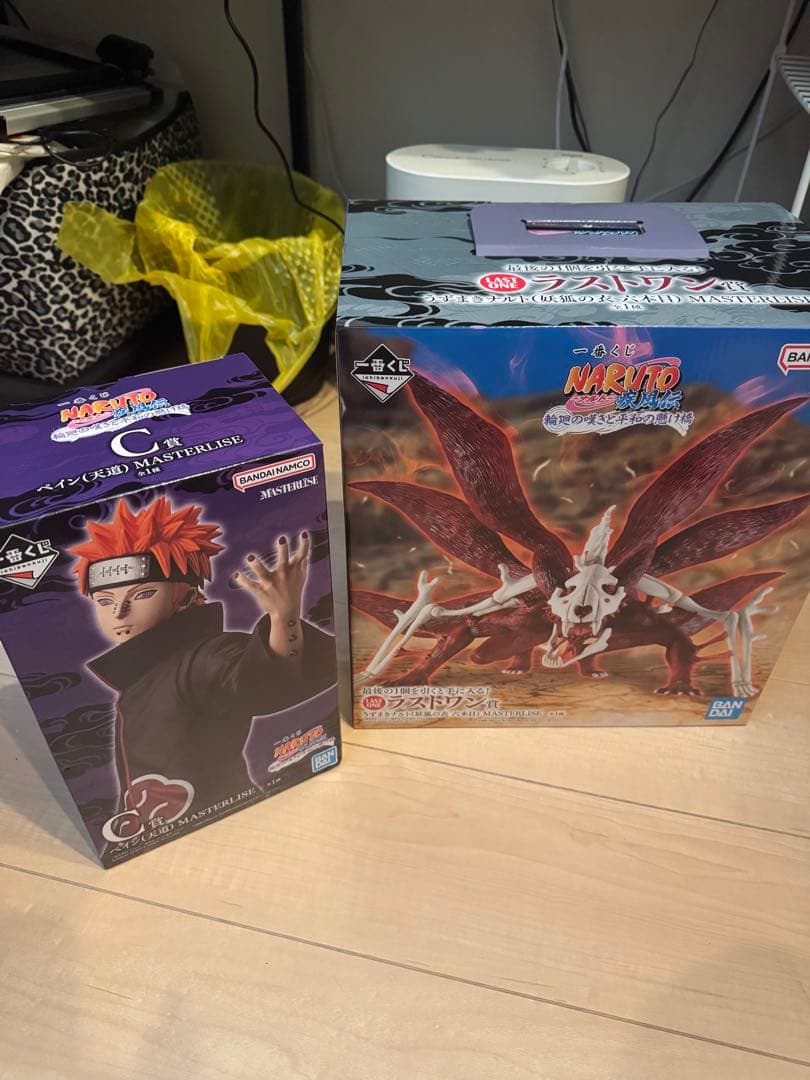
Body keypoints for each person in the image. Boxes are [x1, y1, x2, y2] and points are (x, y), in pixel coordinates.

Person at [69, 496, 336, 842]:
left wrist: (283, 616)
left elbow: (265, 683)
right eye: (105, 600)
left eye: (143, 593)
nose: (119, 611)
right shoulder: (142, 675)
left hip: (223, 824)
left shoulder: (205, 656)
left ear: (185, 595)